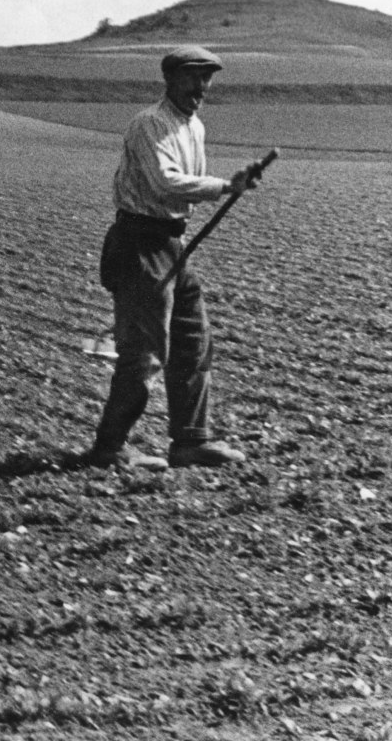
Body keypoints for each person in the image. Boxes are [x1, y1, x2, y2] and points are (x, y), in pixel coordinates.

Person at [85, 46, 263, 470]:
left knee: (192, 341)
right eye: (193, 77)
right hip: (139, 244)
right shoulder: (150, 124)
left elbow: (184, 191)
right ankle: (110, 447)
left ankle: (190, 440)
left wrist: (227, 186)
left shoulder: (194, 127)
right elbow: (166, 183)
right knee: (142, 352)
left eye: (207, 79)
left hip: (172, 244)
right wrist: (224, 185)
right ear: (170, 79)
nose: (201, 87)